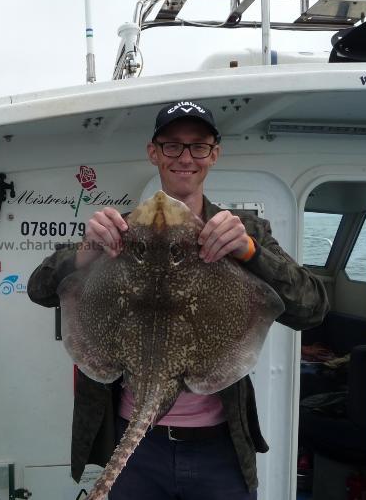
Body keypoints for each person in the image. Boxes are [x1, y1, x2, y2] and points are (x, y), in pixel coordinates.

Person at [27, 100, 329, 499]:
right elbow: (39, 289)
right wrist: (85, 251)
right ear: (154, 153)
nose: (185, 157)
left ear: (213, 154)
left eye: (198, 146)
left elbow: (312, 309)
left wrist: (250, 252)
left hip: (220, 449)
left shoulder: (246, 232)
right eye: (172, 146)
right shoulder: (119, 232)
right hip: (137, 450)